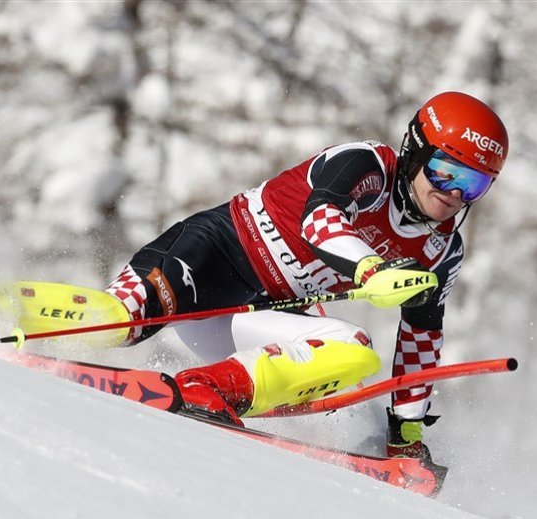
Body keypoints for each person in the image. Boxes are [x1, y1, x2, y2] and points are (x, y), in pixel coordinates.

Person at [104, 91, 508, 487]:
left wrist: (407, 434)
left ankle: (207, 387)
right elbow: (320, 219)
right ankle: (42, 323)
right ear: (416, 152)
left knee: (353, 361)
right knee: (117, 322)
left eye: (474, 184)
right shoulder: (368, 164)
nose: (454, 193)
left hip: (256, 318)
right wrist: (372, 269)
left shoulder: (442, 252)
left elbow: (421, 341)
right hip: (213, 258)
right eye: (445, 171)